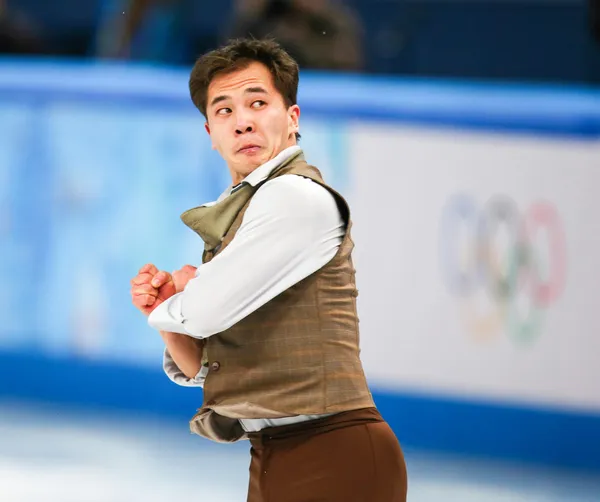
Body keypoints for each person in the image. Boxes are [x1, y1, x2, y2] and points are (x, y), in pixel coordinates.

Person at [129, 38, 407, 502]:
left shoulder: (295, 197)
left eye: (258, 102)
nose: (243, 121)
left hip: (336, 454)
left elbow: (203, 312)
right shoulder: (246, 212)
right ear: (210, 134)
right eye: (224, 111)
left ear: (292, 119)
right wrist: (164, 311)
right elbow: (208, 367)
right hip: (277, 454)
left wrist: (182, 300)